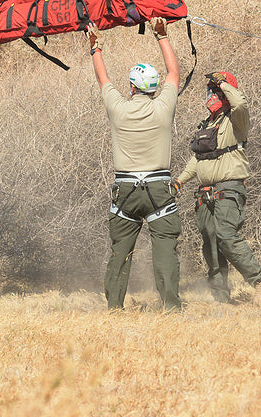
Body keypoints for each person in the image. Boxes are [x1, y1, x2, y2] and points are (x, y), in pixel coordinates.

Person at [87, 17, 182, 311]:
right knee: (165, 253)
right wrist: (161, 35)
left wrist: (95, 47)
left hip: (125, 191)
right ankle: (171, 308)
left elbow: (103, 80)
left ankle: (114, 308)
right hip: (159, 189)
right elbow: (174, 72)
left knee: (120, 253)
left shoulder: (119, 109)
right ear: (153, 87)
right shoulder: (164, 106)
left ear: (131, 86)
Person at [172, 71, 261, 303]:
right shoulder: (208, 124)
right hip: (205, 195)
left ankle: (260, 283)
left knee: (226, 235)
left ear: (224, 94)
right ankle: (221, 297)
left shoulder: (237, 120)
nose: (210, 95)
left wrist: (223, 83)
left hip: (228, 190)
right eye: (210, 90)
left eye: (214, 91)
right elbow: (199, 158)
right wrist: (180, 180)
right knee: (211, 244)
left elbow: (241, 103)